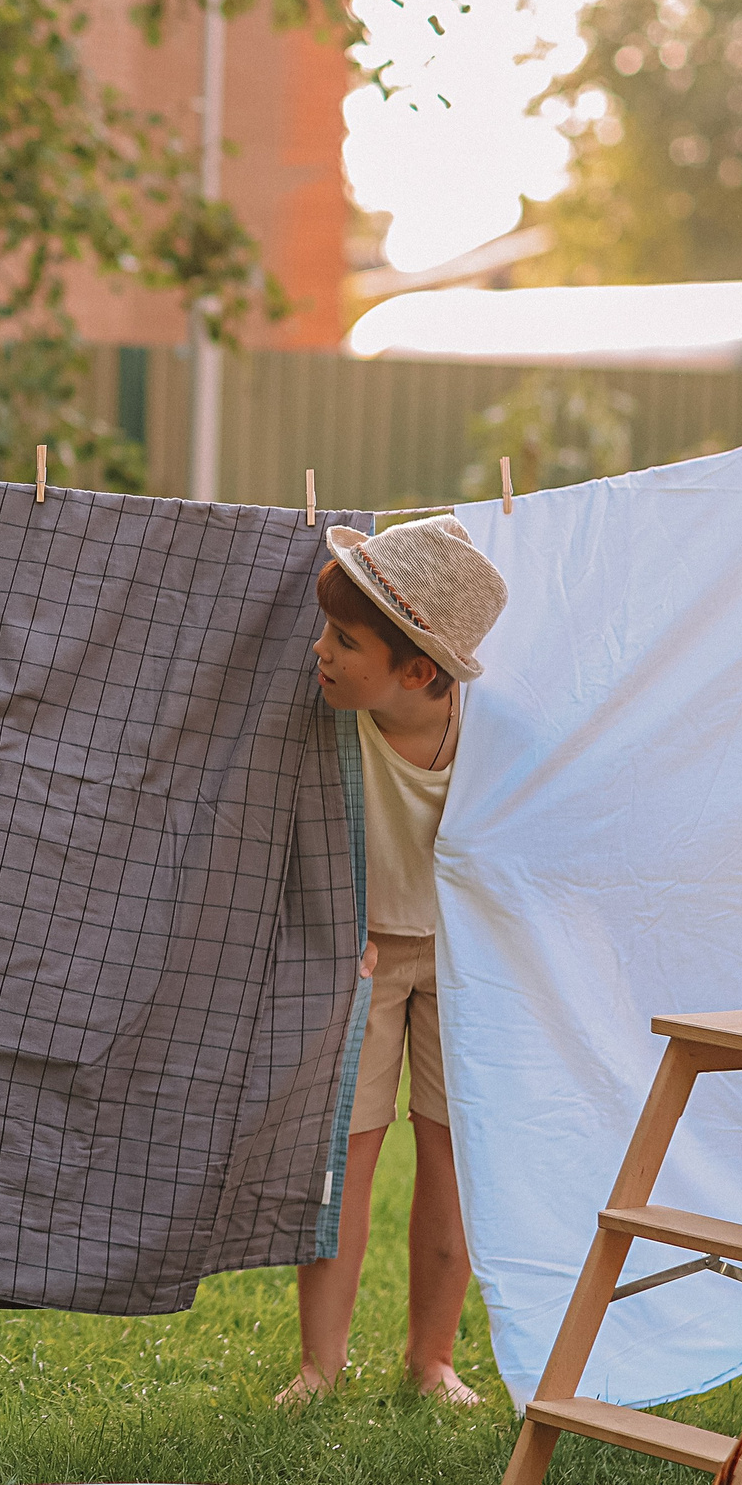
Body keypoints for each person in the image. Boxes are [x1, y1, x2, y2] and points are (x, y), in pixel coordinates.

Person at [285, 513, 509, 1407]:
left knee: (450, 1151)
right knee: (344, 1154)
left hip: (460, 960)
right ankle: (320, 1364)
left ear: (418, 672)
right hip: (364, 957)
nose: (319, 650)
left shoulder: (489, 739)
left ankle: (431, 1357)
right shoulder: (331, 722)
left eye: (345, 641)